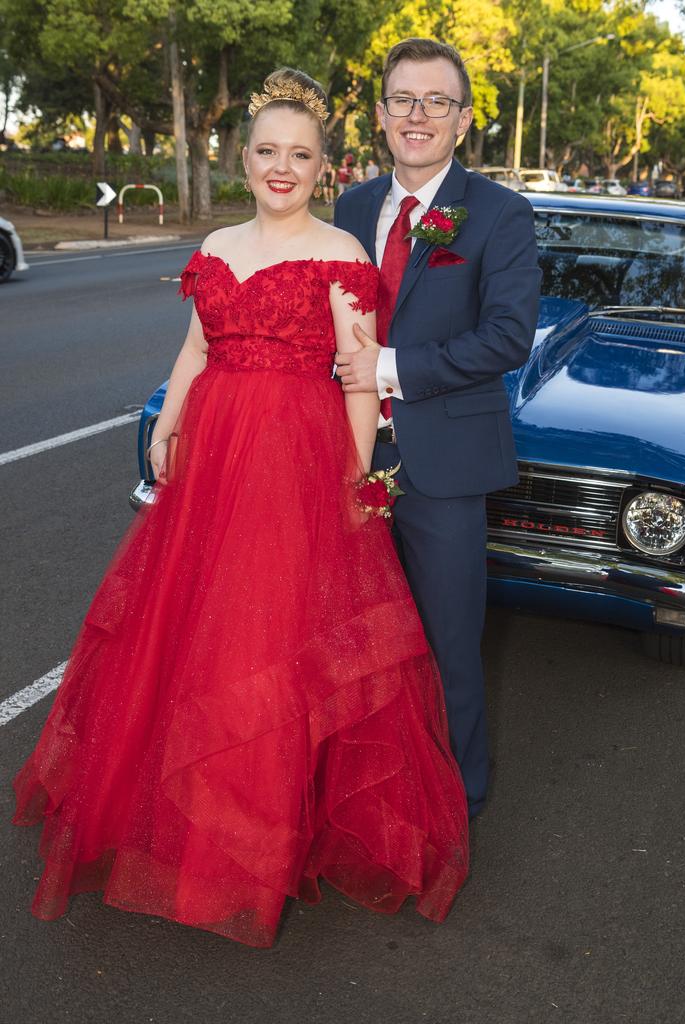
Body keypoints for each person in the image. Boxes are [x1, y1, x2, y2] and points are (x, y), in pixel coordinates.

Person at [11, 67, 469, 949]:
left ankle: (249, 840)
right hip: (212, 461)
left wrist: (356, 482)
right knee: (188, 633)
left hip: (295, 466)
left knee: (268, 639)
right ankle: (177, 821)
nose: (281, 167)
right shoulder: (217, 244)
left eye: (300, 154)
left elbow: (360, 380)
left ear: (324, 165)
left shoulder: (341, 256)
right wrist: (167, 423)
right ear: (244, 159)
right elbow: (192, 347)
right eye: (267, 151)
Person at [334, 39, 541, 820]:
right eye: (403, 100)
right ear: (382, 113)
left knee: (448, 645)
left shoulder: (498, 213)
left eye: (437, 102)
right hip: (350, 451)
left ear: (462, 120)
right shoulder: (353, 207)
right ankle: (368, 797)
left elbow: (506, 338)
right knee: (353, 642)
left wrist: (388, 369)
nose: (417, 116)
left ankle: (458, 805)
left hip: (444, 467)